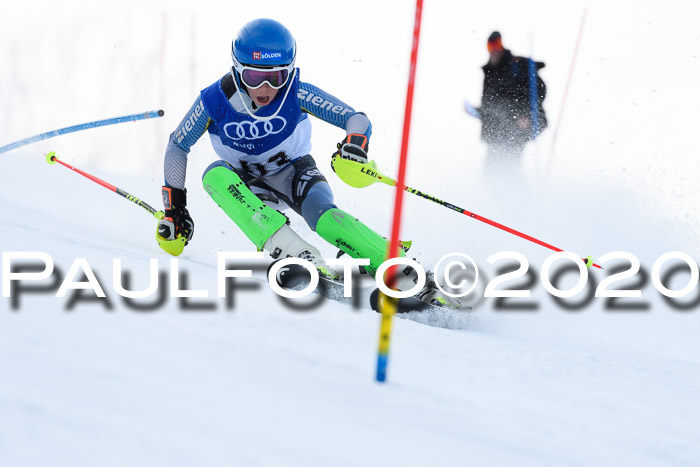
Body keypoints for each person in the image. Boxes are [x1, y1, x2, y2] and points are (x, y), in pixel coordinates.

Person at [155, 18, 464, 309]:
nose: (266, 88)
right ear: (237, 70)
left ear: (289, 71)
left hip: (294, 172)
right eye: (254, 76)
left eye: (276, 76)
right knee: (214, 175)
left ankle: (408, 274)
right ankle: (299, 254)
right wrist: (174, 208)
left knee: (325, 219)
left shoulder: (296, 91)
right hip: (247, 184)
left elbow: (355, 118)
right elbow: (178, 144)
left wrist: (355, 144)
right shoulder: (215, 100)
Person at [478, 31, 547, 164]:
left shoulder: (516, 66)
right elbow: (490, 103)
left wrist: (524, 114)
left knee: (509, 164)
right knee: (491, 169)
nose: (494, 50)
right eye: (490, 46)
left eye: (497, 45)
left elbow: (538, 90)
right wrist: (479, 111)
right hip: (495, 131)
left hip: (515, 128)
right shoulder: (490, 71)